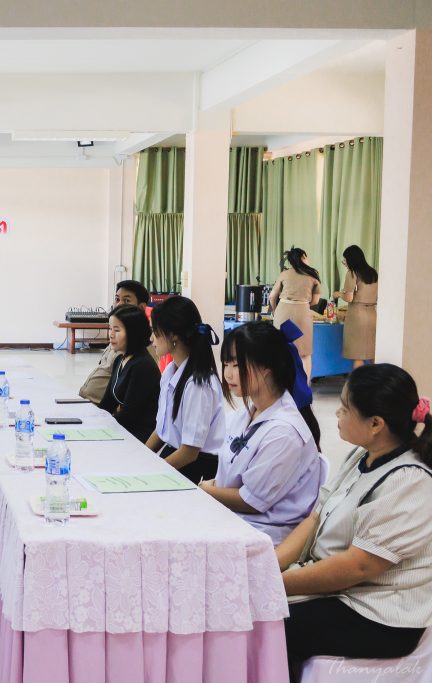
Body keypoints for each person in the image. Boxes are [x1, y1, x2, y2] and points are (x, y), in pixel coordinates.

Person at [277, 364, 432, 680]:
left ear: (376, 424)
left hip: (379, 614)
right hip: (342, 591)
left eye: (345, 408)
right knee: (258, 608)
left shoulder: (411, 481)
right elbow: (316, 517)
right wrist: (270, 565)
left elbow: (359, 566)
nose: (337, 413)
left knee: (271, 624)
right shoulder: (363, 456)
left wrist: (276, 583)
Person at [200, 321, 325, 544]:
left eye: (237, 365)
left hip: (264, 534)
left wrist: (205, 490)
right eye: (226, 364)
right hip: (235, 518)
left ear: (267, 367)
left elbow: (252, 501)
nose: (228, 374)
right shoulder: (246, 413)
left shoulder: (284, 432)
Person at [144, 296, 225, 482]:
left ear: (173, 335)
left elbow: (189, 452)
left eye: (155, 332)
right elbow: (162, 430)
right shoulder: (170, 372)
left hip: (196, 466)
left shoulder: (198, 384)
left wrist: (153, 472)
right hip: (176, 456)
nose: (151, 339)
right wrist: (142, 457)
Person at [78, 279, 158, 403]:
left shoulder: (144, 350)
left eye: (126, 300)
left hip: (101, 407)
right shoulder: (117, 340)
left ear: (141, 307)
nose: (119, 304)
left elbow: (132, 400)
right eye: (117, 299)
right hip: (89, 402)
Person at [97, 304, 160, 443]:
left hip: (139, 435)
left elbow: (129, 415)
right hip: (124, 428)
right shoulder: (120, 360)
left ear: (133, 332)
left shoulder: (143, 365)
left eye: (117, 330)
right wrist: (93, 420)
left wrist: (102, 427)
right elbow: (107, 403)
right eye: (110, 329)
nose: (111, 334)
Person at [269, 247, 321, 380]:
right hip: (303, 313)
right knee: (305, 353)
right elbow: (315, 301)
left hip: (283, 312)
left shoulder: (284, 274)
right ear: (303, 257)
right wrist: (303, 303)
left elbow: (272, 296)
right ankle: (305, 385)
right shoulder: (313, 275)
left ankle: (281, 384)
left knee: (281, 350)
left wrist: (275, 311)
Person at [331, 245, 378, 369]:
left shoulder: (352, 273)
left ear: (351, 259)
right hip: (373, 314)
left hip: (357, 315)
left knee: (358, 355)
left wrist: (338, 294)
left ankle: (359, 381)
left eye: (345, 259)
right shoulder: (373, 273)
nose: (344, 262)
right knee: (372, 353)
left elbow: (349, 298)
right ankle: (379, 379)